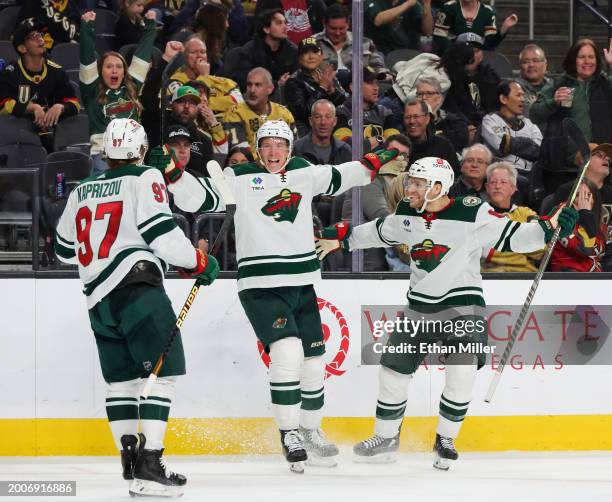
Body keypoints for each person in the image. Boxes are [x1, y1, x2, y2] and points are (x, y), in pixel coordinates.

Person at [152, 119, 402, 472]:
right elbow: (200, 197)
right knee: (287, 352)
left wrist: (372, 163)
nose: (273, 152)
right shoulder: (239, 177)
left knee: (314, 364)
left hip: (300, 281)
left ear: (289, 149)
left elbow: (341, 174)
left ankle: (310, 431)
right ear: (257, 149)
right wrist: (174, 175)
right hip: (260, 285)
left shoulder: (302, 170)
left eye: (280, 145)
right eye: (267, 145)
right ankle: (289, 433)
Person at [314, 156, 578, 470]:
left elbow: (516, 237)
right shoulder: (407, 214)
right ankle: (385, 438)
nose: (409, 188)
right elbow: (378, 231)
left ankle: (445, 438)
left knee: (462, 369)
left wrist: (548, 228)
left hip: (463, 306)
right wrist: (341, 239)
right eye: (410, 181)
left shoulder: (472, 212)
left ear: (438, 187)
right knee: (392, 373)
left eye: (417, 183)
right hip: (419, 308)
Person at [54, 118, 219, 497]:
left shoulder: (83, 188)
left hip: (97, 299)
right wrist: (196, 261)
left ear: (106, 152)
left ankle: (130, 463)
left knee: (122, 383)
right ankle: (150, 462)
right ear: (142, 150)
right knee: (167, 372)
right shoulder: (145, 177)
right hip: (136, 288)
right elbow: (162, 232)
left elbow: (64, 250)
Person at [79, 10, 157, 175]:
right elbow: (86, 57)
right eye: (109, 67)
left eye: (119, 66)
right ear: (100, 72)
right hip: (104, 157)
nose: (114, 70)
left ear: (124, 72)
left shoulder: (132, 88)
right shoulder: (91, 91)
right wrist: (87, 28)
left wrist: (150, 27)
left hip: (134, 156)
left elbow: (142, 56)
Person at [530, 38, 612, 186]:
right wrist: (553, 102)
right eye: (581, 57)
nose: (587, 61)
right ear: (573, 60)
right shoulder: (558, 84)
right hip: (565, 170)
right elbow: (534, 114)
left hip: (602, 168)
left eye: (591, 57)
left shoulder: (606, 84)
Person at [0, 20, 80, 147]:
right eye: (33, 37)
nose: (40, 38)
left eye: (40, 35)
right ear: (22, 48)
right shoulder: (10, 73)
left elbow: (75, 103)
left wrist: (60, 107)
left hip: (52, 131)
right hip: (17, 134)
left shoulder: (57, 71)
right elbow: (4, 105)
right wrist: (33, 108)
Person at [553, 143, 612, 272]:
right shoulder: (567, 191)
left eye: (607, 157)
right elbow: (563, 235)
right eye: (599, 155)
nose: (607, 159)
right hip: (576, 266)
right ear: (584, 161)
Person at [481, 162, 544, 272]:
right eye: (493, 182)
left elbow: (540, 250)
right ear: (487, 187)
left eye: (503, 182)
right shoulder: (478, 214)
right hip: (489, 278)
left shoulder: (526, 214)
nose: (497, 186)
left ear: (513, 188)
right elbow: (479, 253)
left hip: (525, 277)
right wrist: (520, 239)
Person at [284, 37, 348, 136]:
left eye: (315, 52)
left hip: (332, 126)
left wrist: (331, 91)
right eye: (305, 53)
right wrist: (322, 88)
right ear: (299, 58)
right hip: (306, 132)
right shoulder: (293, 82)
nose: (311, 56)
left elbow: (345, 104)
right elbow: (304, 113)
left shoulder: (327, 76)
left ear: (321, 55)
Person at [166, 37, 243, 119]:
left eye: (203, 52)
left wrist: (207, 103)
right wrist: (204, 78)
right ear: (184, 57)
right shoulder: (175, 82)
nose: (199, 56)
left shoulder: (223, 82)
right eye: (193, 52)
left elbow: (239, 101)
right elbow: (191, 108)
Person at [222, 9, 298, 92]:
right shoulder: (249, 51)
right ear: (266, 29)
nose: (285, 27)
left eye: (285, 23)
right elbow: (246, 82)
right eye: (279, 23)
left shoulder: (292, 50)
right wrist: (276, 84)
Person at [222, 67, 296, 151]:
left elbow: (293, 148)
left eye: (258, 85)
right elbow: (240, 153)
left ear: (270, 89)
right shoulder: (234, 114)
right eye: (249, 85)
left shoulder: (284, 114)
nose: (252, 90)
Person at [481, 80, 543, 174]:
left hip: (529, 174)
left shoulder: (529, 124)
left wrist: (513, 143)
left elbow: (539, 151)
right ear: (503, 99)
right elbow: (501, 146)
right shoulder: (490, 120)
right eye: (518, 95)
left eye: (523, 95)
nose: (523, 99)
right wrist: (528, 142)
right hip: (501, 174)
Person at [335, 66, 402, 152]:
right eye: (370, 83)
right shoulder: (340, 113)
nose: (376, 88)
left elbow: (395, 146)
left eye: (377, 83)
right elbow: (348, 147)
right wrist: (379, 139)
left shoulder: (385, 113)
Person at [441, 33, 501, 129]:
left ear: (481, 55)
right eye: (466, 51)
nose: (471, 56)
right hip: (457, 128)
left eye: (476, 51)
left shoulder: (492, 78)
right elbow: (450, 109)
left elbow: (497, 108)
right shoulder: (445, 78)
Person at [314, 4, 390, 76]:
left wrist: (382, 76)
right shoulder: (312, 44)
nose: (337, 33)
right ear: (324, 24)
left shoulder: (364, 42)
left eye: (341, 28)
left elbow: (379, 68)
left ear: (348, 24)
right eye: (333, 29)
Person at [550, 179, 607, 272]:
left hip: (599, 281)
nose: (583, 200)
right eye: (578, 195)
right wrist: (585, 214)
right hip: (568, 279)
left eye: (588, 195)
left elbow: (608, 260)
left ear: (595, 199)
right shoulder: (561, 219)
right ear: (570, 200)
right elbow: (584, 250)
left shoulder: (603, 227)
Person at [433, 0, 518, 54]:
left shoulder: (487, 12)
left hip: (476, 60)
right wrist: (455, 53)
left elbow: (489, 44)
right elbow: (439, 36)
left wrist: (504, 27)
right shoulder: (448, 7)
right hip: (451, 57)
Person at [415, 76, 471, 152]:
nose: (424, 97)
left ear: (439, 98)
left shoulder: (456, 122)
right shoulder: (408, 122)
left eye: (429, 93)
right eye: (420, 94)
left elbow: (459, 144)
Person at [403, 99, 459, 173]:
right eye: (408, 117)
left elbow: (455, 175)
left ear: (427, 118)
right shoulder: (398, 146)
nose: (412, 121)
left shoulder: (443, 145)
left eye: (416, 116)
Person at [293, 99, 352, 165]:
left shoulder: (344, 150)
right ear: (311, 121)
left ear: (335, 121)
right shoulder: (296, 149)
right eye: (318, 117)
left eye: (328, 117)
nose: (323, 122)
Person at [364, 0, 434, 54]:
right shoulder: (372, 1)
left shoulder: (414, 4)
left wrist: (426, 6)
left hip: (406, 54)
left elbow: (428, 32)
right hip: (379, 52)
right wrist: (407, 4)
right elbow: (378, 20)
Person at [515, 44, 551, 122]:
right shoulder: (512, 89)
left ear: (545, 64)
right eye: (525, 62)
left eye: (536, 61)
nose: (531, 65)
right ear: (520, 66)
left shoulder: (554, 87)